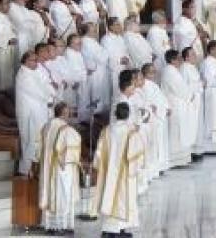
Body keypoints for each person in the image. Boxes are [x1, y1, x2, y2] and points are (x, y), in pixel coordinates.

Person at [92, 102, 144, 236]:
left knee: (108, 197)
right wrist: (137, 169)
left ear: (115, 114)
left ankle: (109, 229)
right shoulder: (132, 131)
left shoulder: (107, 130)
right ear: (128, 115)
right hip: (125, 173)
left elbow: (98, 153)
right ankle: (120, 228)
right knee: (123, 200)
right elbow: (137, 155)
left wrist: (99, 167)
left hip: (108, 172)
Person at [37, 102, 81, 234]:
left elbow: (38, 149)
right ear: (64, 113)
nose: (69, 115)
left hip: (47, 169)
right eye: (68, 113)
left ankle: (50, 225)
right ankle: (61, 225)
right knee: (62, 195)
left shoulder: (46, 127)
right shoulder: (65, 129)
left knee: (50, 194)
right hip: (62, 169)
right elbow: (72, 147)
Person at [15, 51, 54, 174]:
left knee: (38, 139)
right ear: (25, 62)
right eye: (33, 60)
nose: (36, 63)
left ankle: (38, 167)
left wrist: (51, 95)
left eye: (36, 60)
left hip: (39, 111)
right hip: (30, 114)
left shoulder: (33, 72)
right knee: (30, 140)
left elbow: (45, 84)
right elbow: (36, 93)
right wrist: (49, 98)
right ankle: (26, 169)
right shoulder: (23, 75)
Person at [160, 49, 194, 168]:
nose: (181, 60)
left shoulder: (173, 70)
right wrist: (190, 95)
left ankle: (180, 158)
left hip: (178, 103)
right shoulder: (170, 71)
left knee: (179, 130)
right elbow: (180, 88)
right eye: (179, 58)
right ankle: (174, 159)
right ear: (172, 60)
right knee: (175, 131)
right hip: (174, 104)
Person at [140, 63, 169, 177]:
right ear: (145, 73)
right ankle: (157, 166)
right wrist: (158, 109)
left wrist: (167, 107)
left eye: (154, 71)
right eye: (151, 72)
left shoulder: (153, 85)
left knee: (161, 142)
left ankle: (161, 164)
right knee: (155, 143)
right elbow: (149, 102)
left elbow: (161, 98)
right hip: (154, 118)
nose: (154, 73)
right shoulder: (145, 86)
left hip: (160, 116)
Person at [179, 48, 205, 161]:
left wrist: (200, 84)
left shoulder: (193, 68)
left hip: (197, 100)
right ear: (186, 57)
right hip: (191, 101)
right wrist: (200, 84)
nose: (195, 56)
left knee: (196, 125)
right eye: (192, 55)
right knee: (190, 125)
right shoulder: (184, 68)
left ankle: (196, 150)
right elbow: (184, 86)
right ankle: (190, 152)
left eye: (195, 54)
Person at [81, 22, 111, 116]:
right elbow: (101, 57)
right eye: (93, 29)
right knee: (96, 93)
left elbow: (103, 54)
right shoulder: (86, 42)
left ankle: (98, 112)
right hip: (95, 72)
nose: (95, 31)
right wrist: (106, 53)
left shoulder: (92, 41)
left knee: (101, 93)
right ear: (87, 31)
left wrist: (105, 53)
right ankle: (94, 115)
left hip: (100, 70)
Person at [101, 17, 130, 101]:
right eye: (117, 25)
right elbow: (108, 55)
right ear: (111, 27)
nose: (120, 26)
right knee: (115, 93)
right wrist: (120, 60)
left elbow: (126, 51)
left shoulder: (120, 38)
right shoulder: (106, 39)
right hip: (114, 70)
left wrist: (127, 58)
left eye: (120, 24)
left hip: (123, 68)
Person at [63, 34, 89, 122]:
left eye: (80, 43)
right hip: (74, 82)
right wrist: (76, 81)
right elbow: (71, 70)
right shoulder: (69, 53)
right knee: (73, 103)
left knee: (81, 101)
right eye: (77, 44)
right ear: (71, 44)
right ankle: (74, 122)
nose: (80, 45)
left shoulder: (76, 52)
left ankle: (81, 119)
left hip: (81, 80)